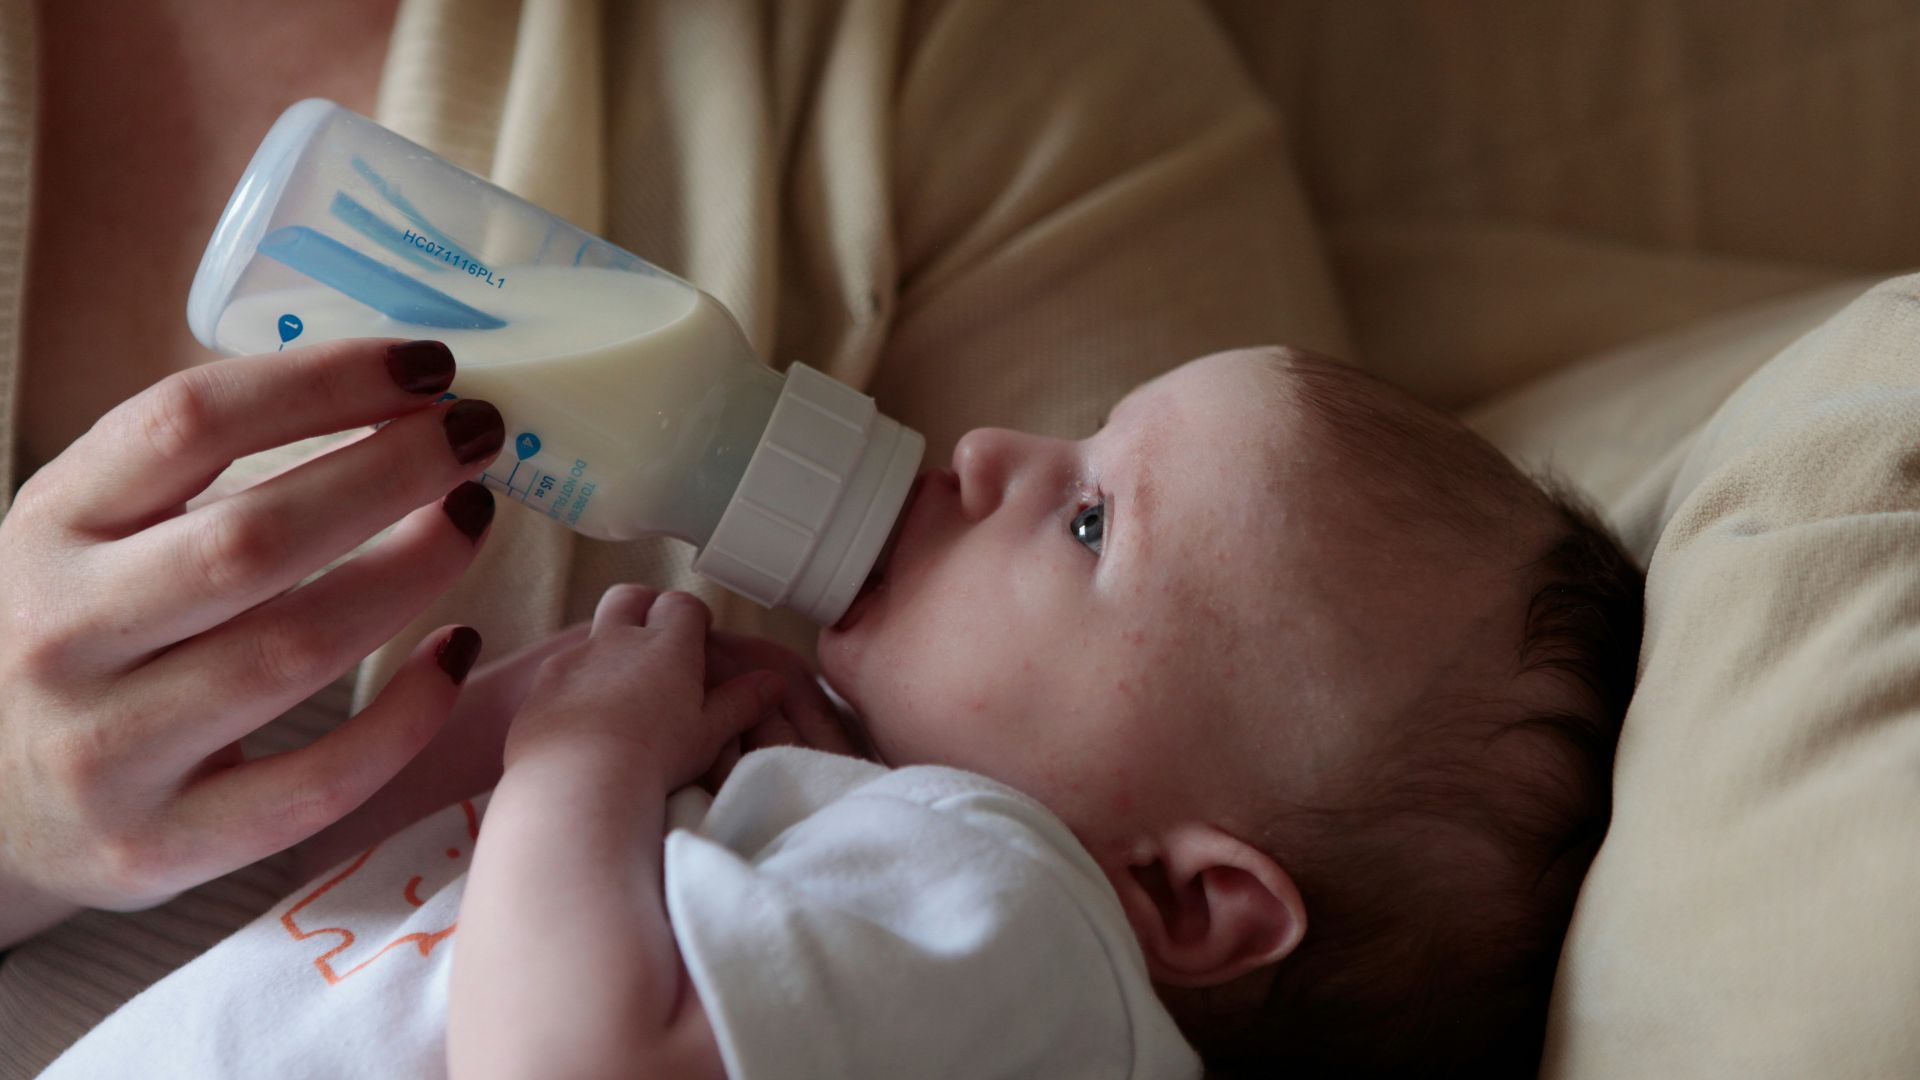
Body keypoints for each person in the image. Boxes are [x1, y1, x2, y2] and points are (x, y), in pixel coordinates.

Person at [34, 346, 1646, 1078]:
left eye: (1090, 522)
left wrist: (582, 763)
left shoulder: (1025, 928)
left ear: (1179, 894)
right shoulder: (878, 880)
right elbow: (376, 917)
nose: (999, 448)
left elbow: (558, 1060)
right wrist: (538, 736)